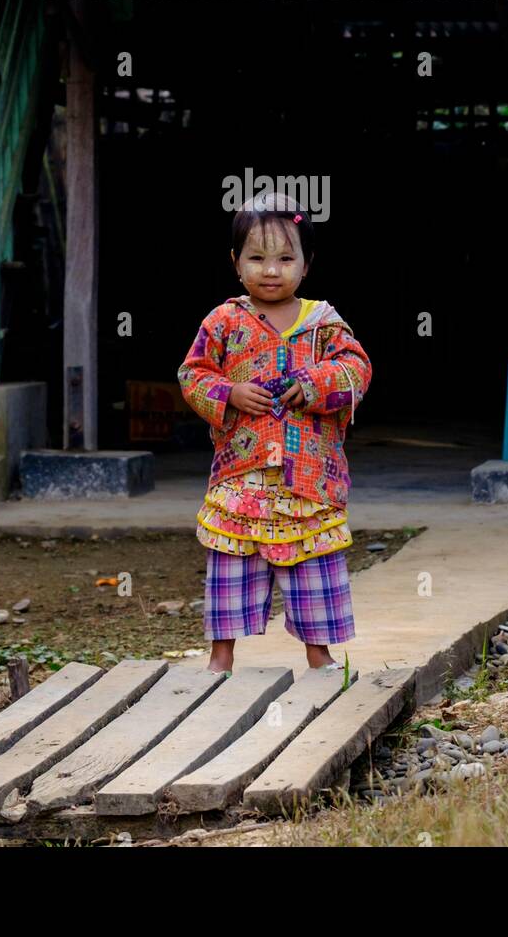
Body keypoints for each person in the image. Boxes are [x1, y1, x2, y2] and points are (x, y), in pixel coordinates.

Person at [177, 193, 372, 675]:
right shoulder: (222, 322)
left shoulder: (323, 324)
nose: (271, 270)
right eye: (257, 258)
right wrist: (230, 394)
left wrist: (314, 385)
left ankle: (319, 656)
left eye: (286, 258)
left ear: (306, 265)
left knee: (312, 563)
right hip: (241, 478)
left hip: (307, 479)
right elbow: (192, 375)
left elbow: (357, 369)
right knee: (231, 561)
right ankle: (220, 658)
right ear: (235, 263)